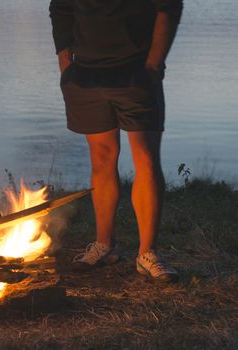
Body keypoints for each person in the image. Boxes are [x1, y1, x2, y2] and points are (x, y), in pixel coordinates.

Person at [49, 0, 183, 282]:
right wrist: (66, 64)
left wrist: (153, 64)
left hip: (136, 72)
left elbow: (168, 7)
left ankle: (148, 253)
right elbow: (61, 8)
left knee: (145, 159)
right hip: (85, 74)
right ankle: (105, 245)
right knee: (101, 159)